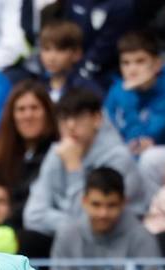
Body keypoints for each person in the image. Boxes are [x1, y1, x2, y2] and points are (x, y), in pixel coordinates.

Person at [24, 88, 147, 240]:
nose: (70, 125)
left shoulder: (118, 158)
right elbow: (33, 215)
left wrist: (74, 167)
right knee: (29, 239)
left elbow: (96, 218)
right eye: (64, 118)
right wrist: (71, 226)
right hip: (71, 238)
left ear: (97, 119)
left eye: (78, 117)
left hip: (119, 240)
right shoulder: (58, 152)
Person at [51, 166, 161, 270]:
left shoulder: (142, 237)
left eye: (111, 205)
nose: (103, 213)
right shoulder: (67, 236)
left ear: (124, 203)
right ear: (84, 201)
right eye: (96, 205)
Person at [0, 81, 57, 257]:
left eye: (34, 108)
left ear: (47, 113)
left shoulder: (58, 153)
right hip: (2, 231)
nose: (27, 115)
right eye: (21, 109)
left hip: (39, 238)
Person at [105, 31, 165, 153]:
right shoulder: (117, 89)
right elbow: (106, 132)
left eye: (140, 61)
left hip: (161, 154)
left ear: (157, 64)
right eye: (125, 63)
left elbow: (142, 141)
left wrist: (128, 98)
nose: (132, 70)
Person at [31, 19, 103, 104]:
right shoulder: (38, 87)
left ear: (76, 54)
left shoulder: (86, 89)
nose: (51, 58)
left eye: (60, 50)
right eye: (46, 49)